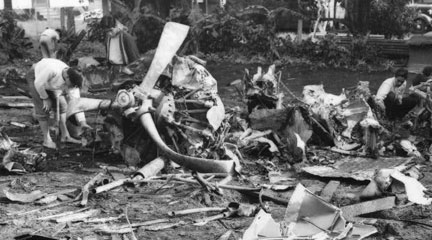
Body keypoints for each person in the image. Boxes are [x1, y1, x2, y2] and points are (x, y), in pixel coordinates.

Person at [28, 58, 85, 149]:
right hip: (36, 77)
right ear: (66, 77)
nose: (70, 88)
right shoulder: (52, 70)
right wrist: (45, 98)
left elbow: (76, 103)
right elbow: (38, 83)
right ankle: (47, 140)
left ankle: (65, 136)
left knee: (63, 106)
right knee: (43, 108)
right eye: (70, 85)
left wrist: (83, 122)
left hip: (50, 83)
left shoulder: (73, 79)